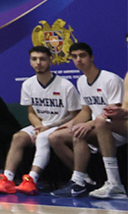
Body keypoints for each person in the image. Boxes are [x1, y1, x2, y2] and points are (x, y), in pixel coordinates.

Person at [0, 45, 82, 194]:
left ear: (50, 61)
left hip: (61, 125)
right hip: (41, 125)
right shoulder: (28, 84)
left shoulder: (66, 85)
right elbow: (31, 112)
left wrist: (48, 127)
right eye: (34, 59)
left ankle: (31, 179)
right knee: (18, 137)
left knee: (43, 137)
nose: (38, 63)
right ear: (30, 62)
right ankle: (7, 179)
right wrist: (39, 127)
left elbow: (74, 114)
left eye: (42, 59)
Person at [46, 41, 124, 198]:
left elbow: (113, 113)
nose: (78, 60)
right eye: (74, 57)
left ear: (91, 58)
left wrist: (88, 124)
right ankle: (83, 180)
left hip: (114, 128)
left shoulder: (110, 79)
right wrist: (71, 123)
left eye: (82, 56)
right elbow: (85, 111)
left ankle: (81, 182)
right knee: (54, 137)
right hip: (96, 127)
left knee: (79, 134)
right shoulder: (81, 81)